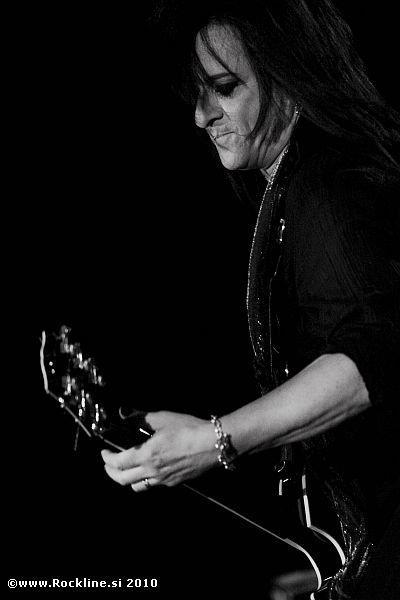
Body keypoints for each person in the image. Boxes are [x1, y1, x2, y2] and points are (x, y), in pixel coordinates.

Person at [101, 1, 400, 598]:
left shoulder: (329, 188)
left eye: (223, 88)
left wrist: (215, 440)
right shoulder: (299, 184)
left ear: (290, 78)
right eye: (197, 93)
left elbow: (373, 359)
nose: (200, 116)